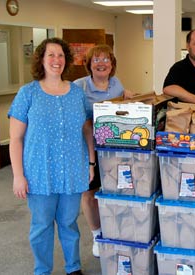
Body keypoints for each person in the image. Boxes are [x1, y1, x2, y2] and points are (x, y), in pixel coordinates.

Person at [8, 37, 94, 275]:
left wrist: (91, 162)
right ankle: (42, 270)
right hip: (39, 172)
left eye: (61, 55)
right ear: (41, 60)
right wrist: (17, 176)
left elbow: (87, 129)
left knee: (69, 223)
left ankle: (73, 268)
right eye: (51, 55)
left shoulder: (77, 93)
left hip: (73, 169)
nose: (57, 60)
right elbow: (14, 139)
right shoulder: (28, 93)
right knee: (41, 226)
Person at [74, 44, 136, 258]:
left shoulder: (116, 84)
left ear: (112, 64)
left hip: (113, 150)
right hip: (87, 149)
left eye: (106, 59)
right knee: (90, 193)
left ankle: (114, 229)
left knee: (113, 189)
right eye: (96, 60)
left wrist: (127, 95)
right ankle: (97, 235)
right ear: (89, 65)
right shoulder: (79, 87)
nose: (101, 63)